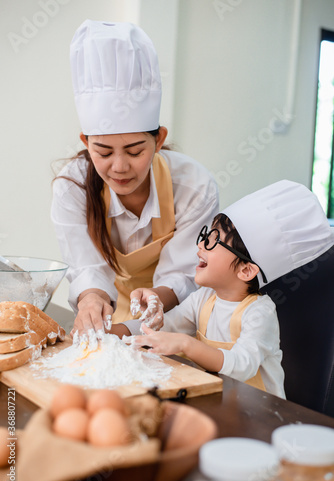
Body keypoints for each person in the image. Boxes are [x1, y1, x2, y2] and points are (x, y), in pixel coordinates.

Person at [51, 20, 219, 335]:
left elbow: (184, 275)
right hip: (108, 317)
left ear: (159, 140)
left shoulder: (193, 186)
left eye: (134, 151)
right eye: (103, 152)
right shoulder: (71, 186)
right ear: (86, 142)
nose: (119, 167)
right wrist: (90, 299)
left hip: (177, 319)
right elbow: (86, 266)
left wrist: (156, 299)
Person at [121, 180, 334, 397]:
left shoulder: (259, 312)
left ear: (246, 271)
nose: (201, 245)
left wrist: (187, 344)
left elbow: (243, 364)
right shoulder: (203, 299)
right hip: (223, 403)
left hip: (262, 416)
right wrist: (112, 331)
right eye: (206, 236)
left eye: (214, 241)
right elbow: (162, 326)